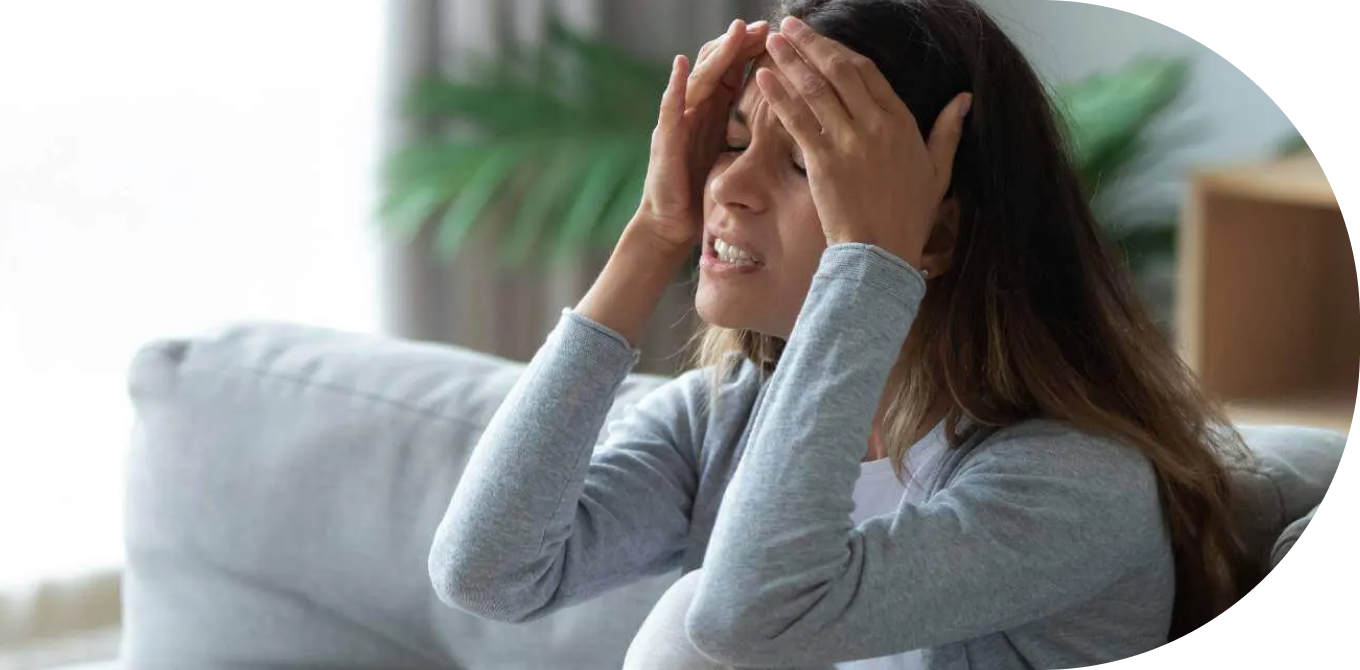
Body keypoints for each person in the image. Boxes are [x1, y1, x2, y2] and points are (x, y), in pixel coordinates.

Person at [428, 1, 1262, 668]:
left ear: (932, 238)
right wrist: (653, 231)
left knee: (691, 615)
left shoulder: (1075, 484)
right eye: (729, 143)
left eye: (802, 165)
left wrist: (869, 267)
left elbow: (743, 619)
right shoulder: (729, 417)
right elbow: (486, 573)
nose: (730, 187)